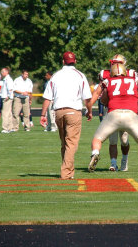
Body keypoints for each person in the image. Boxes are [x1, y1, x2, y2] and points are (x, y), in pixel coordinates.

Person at [87, 62, 138, 173]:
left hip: (113, 114)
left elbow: (100, 97)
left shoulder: (108, 81)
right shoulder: (134, 80)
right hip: (131, 115)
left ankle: (95, 153)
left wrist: (90, 108)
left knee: (97, 139)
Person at [40, 51, 92, 180]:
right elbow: (87, 98)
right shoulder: (80, 75)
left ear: (63, 62)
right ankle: (66, 173)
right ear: (75, 61)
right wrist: (89, 111)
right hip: (74, 111)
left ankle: (70, 172)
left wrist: (42, 114)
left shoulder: (56, 76)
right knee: (71, 144)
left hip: (59, 112)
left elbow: (47, 97)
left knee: (65, 144)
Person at [0, 67, 14, 133]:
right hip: (8, 97)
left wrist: (8, 96)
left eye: (3, 72)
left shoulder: (8, 79)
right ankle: (10, 127)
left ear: (7, 72)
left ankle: (5, 128)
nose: (1, 73)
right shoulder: (6, 79)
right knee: (9, 113)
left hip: (7, 98)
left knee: (5, 113)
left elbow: (10, 89)